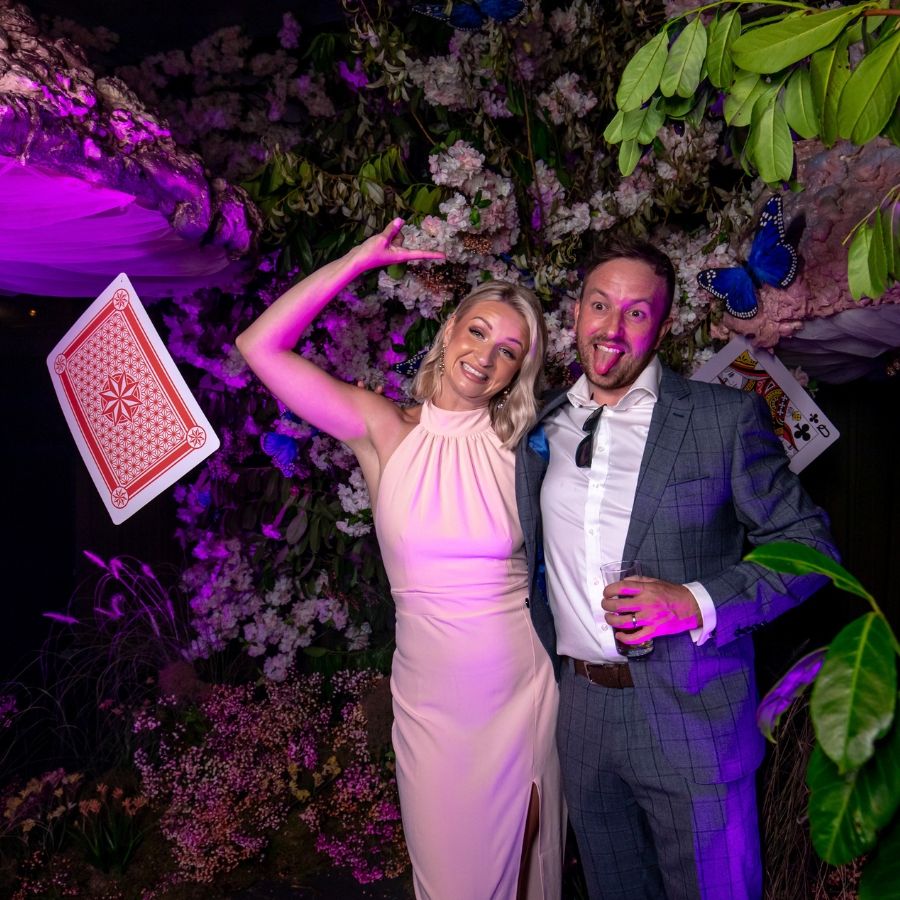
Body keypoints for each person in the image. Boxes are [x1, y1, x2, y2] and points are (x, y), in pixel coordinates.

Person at [236, 218, 564, 900]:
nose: (486, 355)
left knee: (527, 879)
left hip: (522, 696)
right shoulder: (382, 431)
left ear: (518, 373)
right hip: (432, 708)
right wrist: (356, 260)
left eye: (509, 350)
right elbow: (259, 346)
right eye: (477, 331)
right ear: (447, 331)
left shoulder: (528, 448)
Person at [514, 237, 837, 900]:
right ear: (575, 313)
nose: (612, 326)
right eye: (600, 305)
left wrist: (695, 602)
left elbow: (809, 548)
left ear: (663, 326)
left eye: (636, 312)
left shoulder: (723, 420)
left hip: (694, 712)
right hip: (582, 715)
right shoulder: (540, 426)